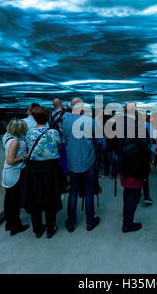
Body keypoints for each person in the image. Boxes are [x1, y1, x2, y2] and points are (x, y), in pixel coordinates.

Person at [24, 106, 65, 239]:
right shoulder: (53, 132)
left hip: (33, 169)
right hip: (50, 169)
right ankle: (50, 227)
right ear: (47, 117)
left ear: (34, 118)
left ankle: (37, 229)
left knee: (35, 198)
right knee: (50, 198)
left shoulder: (29, 133)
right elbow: (59, 144)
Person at [62, 98, 101, 232]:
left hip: (72, 162)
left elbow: (64, 141)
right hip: (88, 161)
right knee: (89, 190)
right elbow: (98, 142)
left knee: (73, 190)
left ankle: (71, 222)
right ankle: (90, 221)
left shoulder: (65, 121)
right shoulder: (90, 122)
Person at [113, 102, 152, 232]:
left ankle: (126, 216)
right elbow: (145, 148)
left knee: (127, 190)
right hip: (136, 165)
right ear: (135, 112)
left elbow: (112, 143)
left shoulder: (117, 125)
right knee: (134, 193)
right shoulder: (139, 126)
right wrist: (149, 164)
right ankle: (127, 223)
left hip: (123, 164)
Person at [1, 118, 30, 236]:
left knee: (8, 199)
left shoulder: (6, 137)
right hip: (14, 173)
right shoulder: (15, 142)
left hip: (7, 173)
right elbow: (10, 160)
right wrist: (24, 157)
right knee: (15, 202)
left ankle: (9, 222)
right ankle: (16, 225)